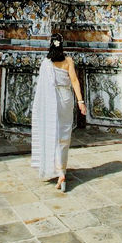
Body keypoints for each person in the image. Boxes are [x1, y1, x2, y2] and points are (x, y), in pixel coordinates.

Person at [31, 33, 86, 192]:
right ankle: (61, 169)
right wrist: (80, 102)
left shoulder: (46, 62)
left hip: (51, 100)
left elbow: (41, 88)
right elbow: (74, 81)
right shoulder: (68, 61)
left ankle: (56, 170)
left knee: (51, 133)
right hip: (66, 99)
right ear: (62, 45)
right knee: (63, 135)